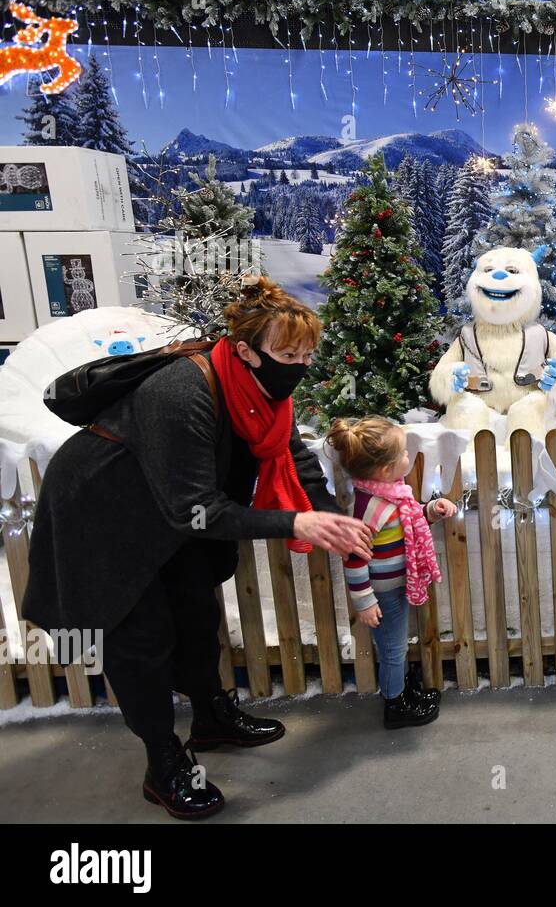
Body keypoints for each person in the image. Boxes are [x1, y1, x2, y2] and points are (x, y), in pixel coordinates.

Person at [24, 277, 374, 819]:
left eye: (307, 354)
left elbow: (289, 452)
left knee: (194, 610)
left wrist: (328, 513)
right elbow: (200, 510)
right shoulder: (181, 391)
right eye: (287, 354)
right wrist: (295, 523)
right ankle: (162, 761)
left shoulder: (264, 389)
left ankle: (211, 717)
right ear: (244, 351)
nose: (299, 365)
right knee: (139, 635)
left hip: (170, 507)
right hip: (105, 511)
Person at [326, 416, 458, 729]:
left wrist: (432, 510)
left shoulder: (393, 494)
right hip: (382, 593)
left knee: (396, 645)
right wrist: (365, 602)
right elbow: (354, 556)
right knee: (392, 650)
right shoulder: (373, 507)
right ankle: (395, 704)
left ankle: (402, 690)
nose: (407, 458)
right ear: (386, 470)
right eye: (402, 454)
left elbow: (408, 528)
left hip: (398, 584)